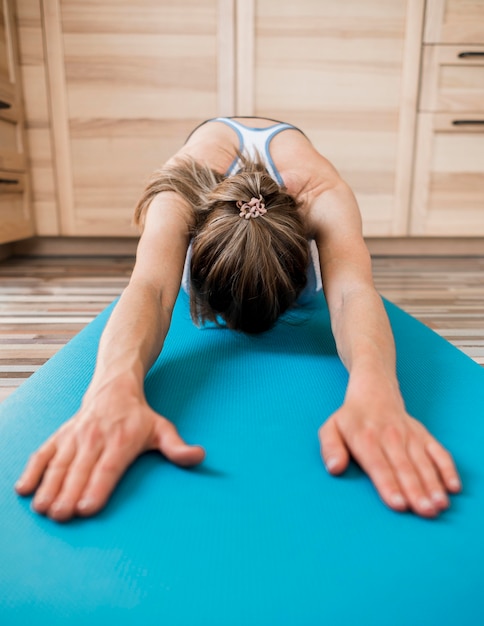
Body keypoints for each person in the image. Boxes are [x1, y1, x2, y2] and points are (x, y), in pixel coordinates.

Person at [15, 116, 461, 522]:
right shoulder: (178, 194)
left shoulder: (321, 194)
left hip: (291, 169)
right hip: (206, 169)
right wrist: (110, 388)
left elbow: (351, 291)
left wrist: (377, 386)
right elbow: (149, 289)